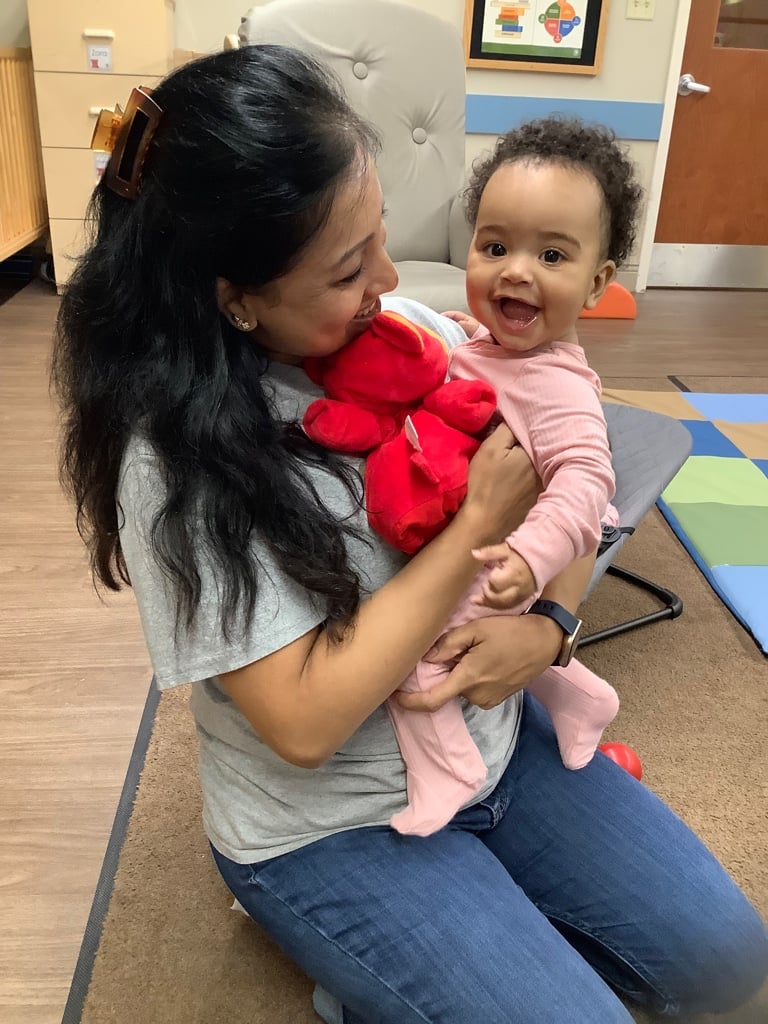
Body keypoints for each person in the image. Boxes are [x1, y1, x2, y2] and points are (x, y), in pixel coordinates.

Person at [52, 45, 766, 1024]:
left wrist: (550, 621)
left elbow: (563, 502)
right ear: (236, 296)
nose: (391, 280)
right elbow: (304, 723)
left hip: (492, 739)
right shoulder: (177, 467)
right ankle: (349, 956)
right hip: (333, 822)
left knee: (728, 964)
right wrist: (473, 523)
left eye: (382, 236)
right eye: (349, 269)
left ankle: (462, 933)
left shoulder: (415, 337)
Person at [377, 118, 638, 836]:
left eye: (551, 254)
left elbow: (586, 478)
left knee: (415, 656)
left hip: (498, 560)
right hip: (486, 546)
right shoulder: (499, 347)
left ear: (597, 283)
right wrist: (469, 336)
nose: (515, 270)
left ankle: (449, 772)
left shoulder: (559, 389)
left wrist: (531, 556)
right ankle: (583, 700)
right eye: (495, 246)